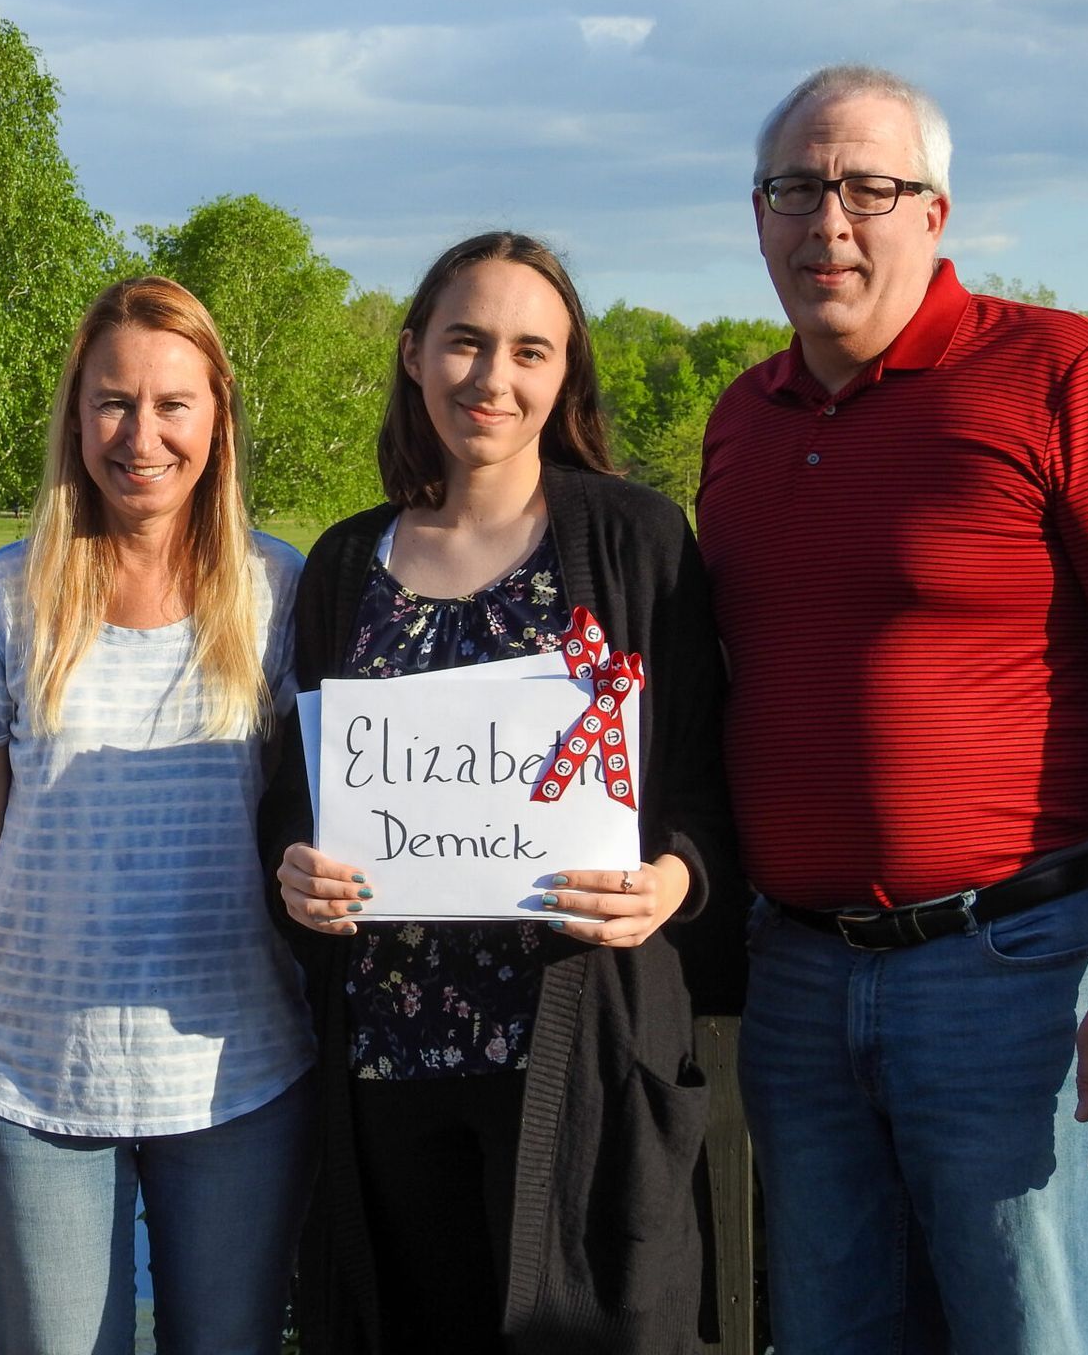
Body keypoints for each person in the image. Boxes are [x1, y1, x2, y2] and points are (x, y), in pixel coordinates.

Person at [697, 64, 1088, 1354]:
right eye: (795, 189)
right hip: (799, 979)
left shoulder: (1068, 375)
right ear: (758, 215)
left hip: (1014, 972)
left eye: (867, 187)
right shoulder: (741, 420)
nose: (829, 220)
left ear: (933, 212)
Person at [269, 232, 739, 1354]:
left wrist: (673, 878)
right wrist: (296, 872)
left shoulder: (634, 541)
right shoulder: (344, 564)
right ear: (413, 355)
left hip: (582, 1060)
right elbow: (296, 797)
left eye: (530, 350)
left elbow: (707, 780)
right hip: (389, 1060)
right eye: (466, 342)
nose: (494, 377)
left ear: (564, 372)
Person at [0, 276, 317, 1353]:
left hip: (240, 1075)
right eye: (113, 403)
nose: (142, 436)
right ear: (76, 415)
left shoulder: (282, 592)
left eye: (172, 404)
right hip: (31, 1081)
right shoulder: (3, 598)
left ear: (217, 415)